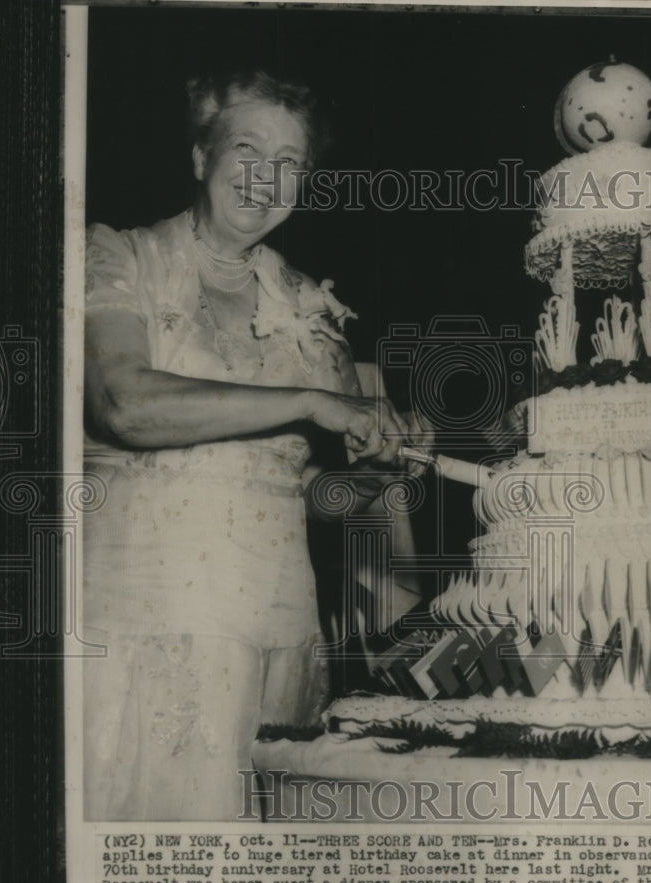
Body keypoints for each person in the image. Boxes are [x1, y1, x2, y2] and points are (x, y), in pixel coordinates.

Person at [82, 68, 414, 821]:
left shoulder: (311, 305)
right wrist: (309, 401)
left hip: (280, 628)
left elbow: (321, 501)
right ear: (200, 157)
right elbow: (121, 405)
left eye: (291, 163)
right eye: (248, 151)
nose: (268, 180)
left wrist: (379, 462)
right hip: (149, 618)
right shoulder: (121, 258)